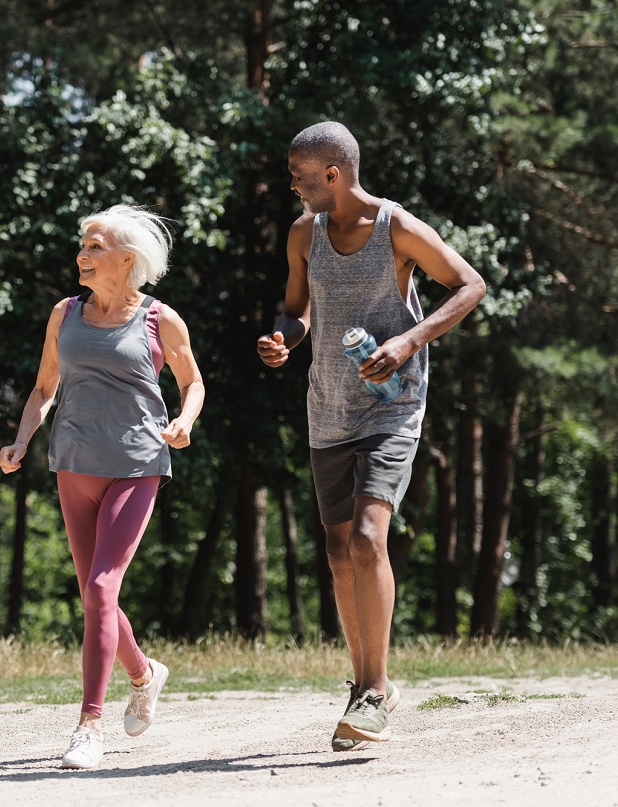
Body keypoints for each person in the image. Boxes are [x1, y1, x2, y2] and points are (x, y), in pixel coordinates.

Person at [256, 122, 485, 750]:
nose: (293, 184)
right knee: (335, 553)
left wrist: (409, 339)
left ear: (332, 173)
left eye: (300, 174)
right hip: (327, 405)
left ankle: (377, 689)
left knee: (365, 537)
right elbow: (296, 308)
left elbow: (471, 285)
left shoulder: (398, 228)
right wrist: (284, 339)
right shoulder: (304, 233)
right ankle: (362, 686)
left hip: (391, 405)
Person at [0, 205, 205, 770]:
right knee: (95, 592)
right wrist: (21, 440)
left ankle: (88, 726)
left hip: (137, 463)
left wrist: (184, 422)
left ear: (126, 259)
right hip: (73, 461)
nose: (81, 256)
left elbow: (192, 382)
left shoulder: (161, 320)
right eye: (82, 246)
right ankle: (144, 672)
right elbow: (45, 387)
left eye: (93, 247)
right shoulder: (65, 313)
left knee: (102, 587)